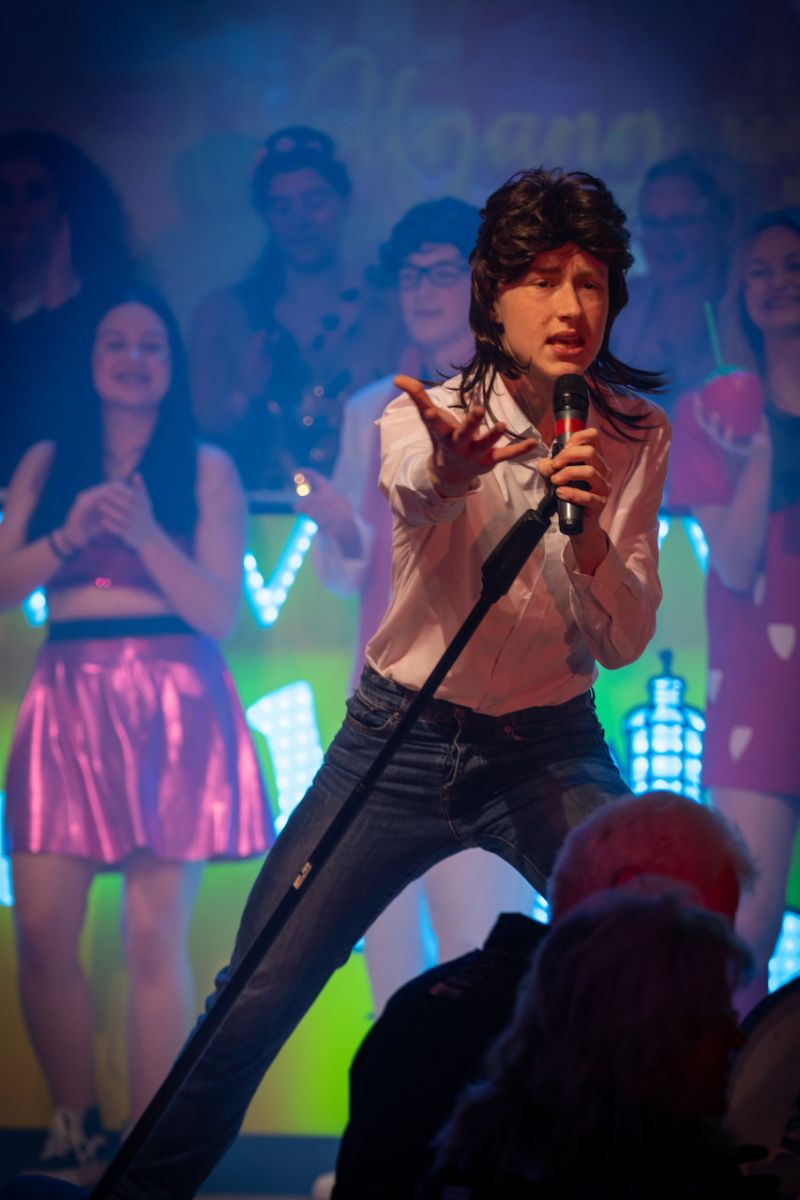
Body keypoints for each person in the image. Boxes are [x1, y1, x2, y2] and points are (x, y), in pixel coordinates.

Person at [105, 165, 671, 1200]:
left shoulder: (632, 435)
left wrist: (588, 535)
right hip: (397, 741)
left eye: (590, 283)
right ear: (491, 295)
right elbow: (418, 488)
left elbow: (624, 637)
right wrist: (455, 470)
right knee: (253, 996)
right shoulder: (422, 413)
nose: (570, 306)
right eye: (543, 279)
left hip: (547, 744)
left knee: (650, 949)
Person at [0, 289, 274, 1183]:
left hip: (174, 698)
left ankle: (146, 1151)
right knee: (43, 932)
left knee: (154, 940)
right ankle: (73, 1126)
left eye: (151, 345)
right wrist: (66, 536)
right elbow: (4, 586)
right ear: (90, 359)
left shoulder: (204, 468)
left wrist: (148, 534)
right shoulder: (48, 461)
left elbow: (220, 614)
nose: (133, 358)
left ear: (172, 364)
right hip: (67, 694)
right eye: (115, 343)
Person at [297, 197, 533, 1014]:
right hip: (390, 700)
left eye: (441, 272)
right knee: (385, 935)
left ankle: (483, 1096)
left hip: (493, 702)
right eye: (409, 275)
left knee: (481, 936)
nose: (422, 290)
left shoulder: (527, 398)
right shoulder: (374, 407)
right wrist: (340, 528)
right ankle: (391, 1095)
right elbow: (346, 572)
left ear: (484, 284)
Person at [331, 790, 756, 1200]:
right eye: (706, 935)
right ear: (631, 894)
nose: (733, 1036)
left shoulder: (416, 1013)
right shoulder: (612, 1057)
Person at [668, 211, 800, 1016]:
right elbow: (736, 562)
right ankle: (730, 1081)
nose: (780, 282)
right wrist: (762, 461)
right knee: (746, 927)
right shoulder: (713, 410)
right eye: (761, 270)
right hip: (758, 683)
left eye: (793, 264)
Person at [427, 890, 754, 1199]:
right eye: (716, 1018)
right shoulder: (670, 1170)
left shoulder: (485, 1153)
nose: (737, 1038)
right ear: (645, 1033)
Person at [189, 125, 401, 489]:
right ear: (265, 215)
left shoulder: (391, 307)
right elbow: (199, 429)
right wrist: (243, 392)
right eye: (282, 207)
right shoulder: (225, 312)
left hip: (364, 506)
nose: (300, 221)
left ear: (344, 201)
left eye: (314, 202)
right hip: (251, 508)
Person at [0, 129, 136, 484]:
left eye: (35, 193)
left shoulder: (115, 312)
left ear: (68, 206)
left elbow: (70, 417)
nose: (18, 209)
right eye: (5, 195)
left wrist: (59, 304)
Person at [612, 154, 735, 418]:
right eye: (653, 223)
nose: (664, 239)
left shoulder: (746, 303)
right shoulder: (622, 305)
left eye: (679, 222)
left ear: (718, 225)